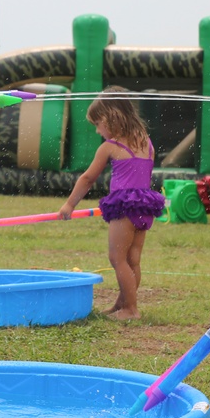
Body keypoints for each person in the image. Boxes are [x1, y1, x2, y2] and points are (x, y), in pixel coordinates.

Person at [58, 86, 165, 320]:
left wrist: (69, 205)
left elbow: (87, 178)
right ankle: (123, 303)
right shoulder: (147, 143)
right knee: (132, 259)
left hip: (124, 208)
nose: (97, 130)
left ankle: (131, 309)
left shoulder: (110, 147)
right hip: (145, 207)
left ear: (110, 117)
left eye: (98, 124)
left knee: (117, 258)